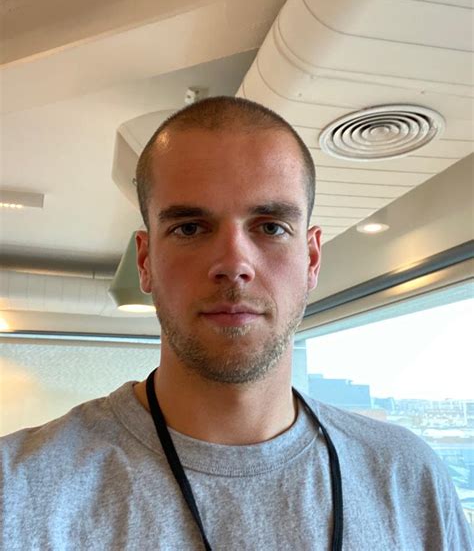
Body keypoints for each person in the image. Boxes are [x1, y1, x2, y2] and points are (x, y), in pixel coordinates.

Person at [0, 97, 471, 551]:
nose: (233, 264)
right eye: (189, 228)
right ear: (145, 261)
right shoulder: (18, 492)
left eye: (270, 227)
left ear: (311, 258)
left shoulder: (408, 476)